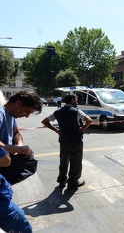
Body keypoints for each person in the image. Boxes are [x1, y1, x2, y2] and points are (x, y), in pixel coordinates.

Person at [0, 91, 43, 233]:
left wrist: (19, 145)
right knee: (22, 227)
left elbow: (17, 132)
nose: (26, 115)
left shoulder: (10, 115)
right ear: (18, 103)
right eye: (27, 111)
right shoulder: (0, 114)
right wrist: (11, 149)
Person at [41, 94, 92, 189]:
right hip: (75, 140)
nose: (77, 101)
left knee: (63, 161)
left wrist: (56, 130)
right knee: (76, 161)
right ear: (72, 100)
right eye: (76, 100)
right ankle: (73, 182)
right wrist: (82, 129)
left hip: (64, 140)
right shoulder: (77, 111)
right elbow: (89, 120)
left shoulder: (58, 112)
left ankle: (62, 181)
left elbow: (44, 121)